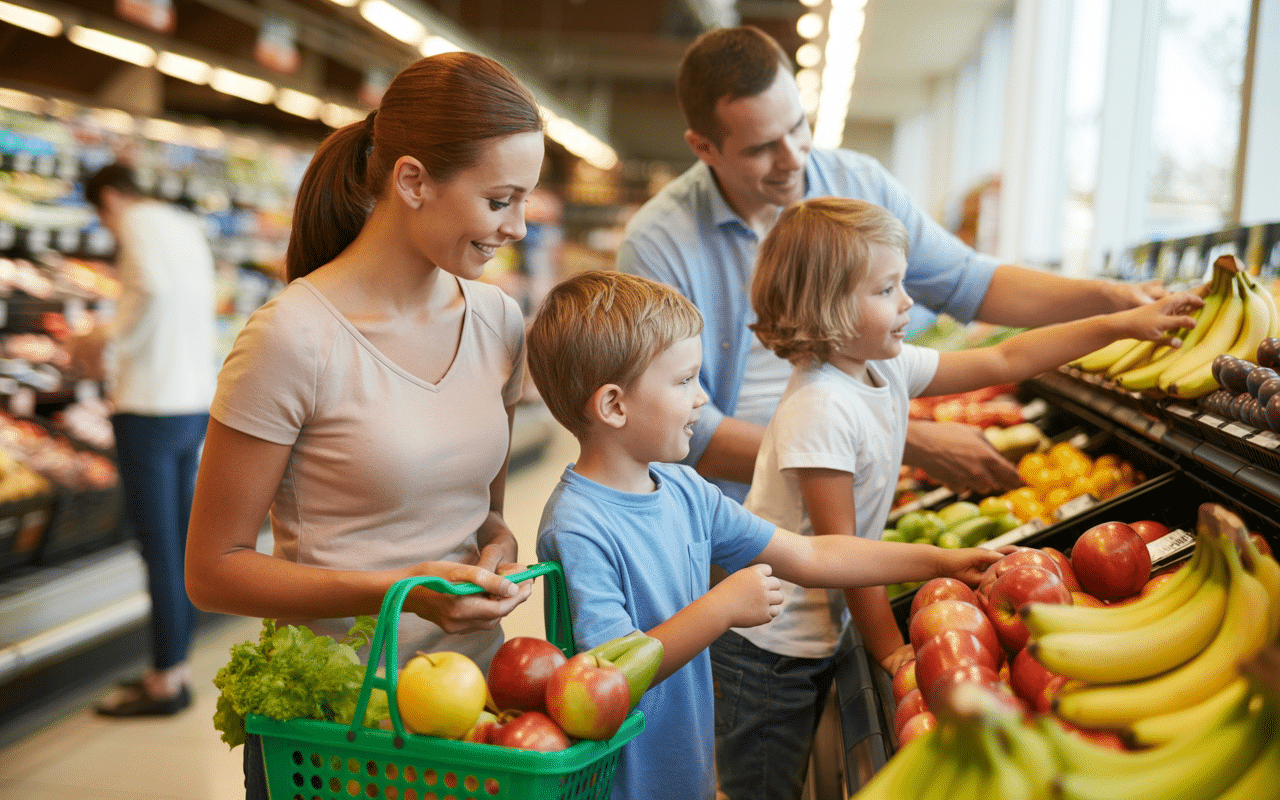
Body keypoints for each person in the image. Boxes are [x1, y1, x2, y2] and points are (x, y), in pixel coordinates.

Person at [714, 197, 1202, 800]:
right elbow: (845, 556)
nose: (907, 303)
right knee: (762, 786)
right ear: (832, 310)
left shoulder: (879, 367)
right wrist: (892, 653)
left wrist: (1121, 324)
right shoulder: (819, 410)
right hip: (770, 652)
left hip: (814, 630)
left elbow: (1005, 356)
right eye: (887, 289)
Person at [182, 52, 543, 796]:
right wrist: (394, 592)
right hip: (334, 725)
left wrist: (498, 548)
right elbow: (211, 571)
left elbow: (487, 515)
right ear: (413, 181)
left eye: (526, 200)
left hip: (470, 713)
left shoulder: (498, 322)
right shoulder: (293, 337)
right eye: (501, 200)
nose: (520, 226)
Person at [617, 24, 1166, 502]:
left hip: (858, 484)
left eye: (797, 127)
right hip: (732, 519)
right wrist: (900, 442)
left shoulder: (859, 183)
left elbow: (971, 283)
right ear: (703, 147)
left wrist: (1111, 299)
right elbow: (691, 433)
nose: (793, 159)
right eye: (761, 147)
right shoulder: (659, 245)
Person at [524, 270, 1007, 800]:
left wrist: (938, 562)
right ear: (614, 405)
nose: (703, 399)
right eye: (684, 381)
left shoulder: (686, 489)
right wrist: (722, 608)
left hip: (687, 768)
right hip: (622, 781)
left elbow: (810, 555)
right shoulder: (578, 525)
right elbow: (612, 670)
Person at [74, 163, 217, 717]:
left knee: (157, 545)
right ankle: (173, 663)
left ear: (110, 198)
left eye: (100, 216)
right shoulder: (182, 223)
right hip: (191, 402)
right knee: (178, 544)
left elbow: (152, 289)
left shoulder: (135, 224)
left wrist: (102, 337)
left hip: (148, 406)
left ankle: (165, 681)